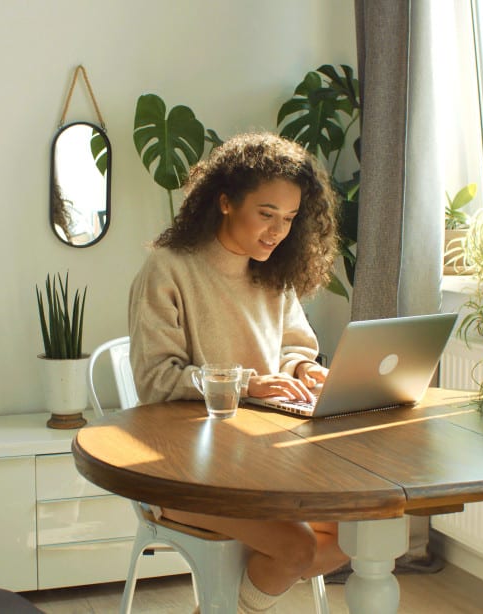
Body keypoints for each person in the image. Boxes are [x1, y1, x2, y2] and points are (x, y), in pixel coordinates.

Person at [128, 132, 348, 613]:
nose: (277, 232)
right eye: (266, 214)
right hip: (182, 470)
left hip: (265, 458)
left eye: (289, 219)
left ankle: (221, 606)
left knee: (360, 532)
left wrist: (303, 370)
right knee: (297, 548)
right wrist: (247, 381)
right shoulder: (168, 269)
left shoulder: (272, 270)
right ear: (225, 202)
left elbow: (292, 346)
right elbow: (156, 379)